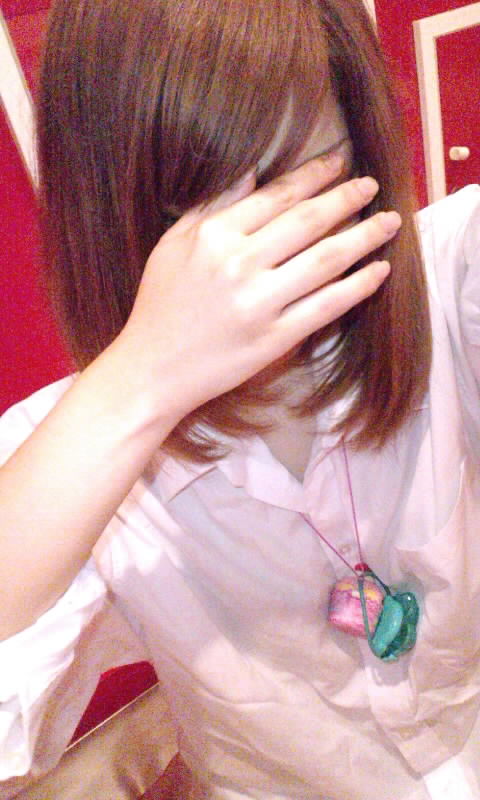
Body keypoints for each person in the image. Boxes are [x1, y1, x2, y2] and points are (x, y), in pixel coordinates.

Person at [0, 0, 479, 798]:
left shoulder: (448, 273)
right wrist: (139, 384)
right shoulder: (67, 454)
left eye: (302, 192)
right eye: (204, 221)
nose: (254, 273)